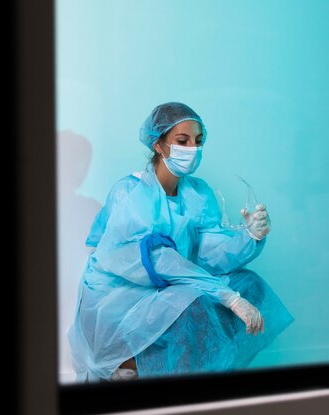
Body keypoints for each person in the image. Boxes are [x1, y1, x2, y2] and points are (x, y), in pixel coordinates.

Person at [68, 102, 293, 382]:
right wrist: (227, 297)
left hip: (174, 284)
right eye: (182, 141)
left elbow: (209, 254)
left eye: (198, 141)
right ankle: (132, 365)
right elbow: (158, 259)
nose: (193, 149)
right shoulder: (132, 193)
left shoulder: (197, 193)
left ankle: (197, 374)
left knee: (248, 284)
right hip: (123, 294)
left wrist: (249, 237)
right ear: (159, 145)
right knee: (194, 302)